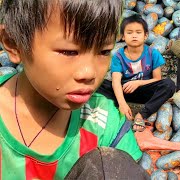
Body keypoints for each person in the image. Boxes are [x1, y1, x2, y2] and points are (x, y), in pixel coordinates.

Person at [0, 0, 142, 179]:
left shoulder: (103, 122)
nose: (89, 73)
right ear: (13, 43)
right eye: (69, 52)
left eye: (104, 51)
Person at [97, 14, 175, 132]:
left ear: (145, 36)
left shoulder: (152, 53)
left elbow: (157, 79)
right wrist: (122, 103)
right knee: (98, 83)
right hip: (124, 90)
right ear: (123, 37)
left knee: (169, 84)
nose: (134, 35)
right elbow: (116, 81)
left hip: (145, 92)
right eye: (129, 32)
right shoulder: (118, 56)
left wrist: (138, 83)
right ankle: (116, 108)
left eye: (138, 32)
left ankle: (141, 115)